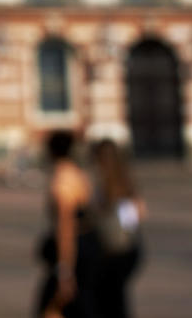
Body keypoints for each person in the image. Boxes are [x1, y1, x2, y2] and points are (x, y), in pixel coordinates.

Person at [35, 130, 100, 318]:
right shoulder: (78, 173)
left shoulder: (62, 181)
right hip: (89, 247)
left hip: (75, 253)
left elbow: (66, 227)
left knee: (54, 307)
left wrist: (65, 271)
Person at [92, 139, 145, 318]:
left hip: (113, 251)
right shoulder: (125, 180)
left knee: (110, 302)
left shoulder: (106, 185)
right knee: (117, 299)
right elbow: (139, 214)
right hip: (129, 249)